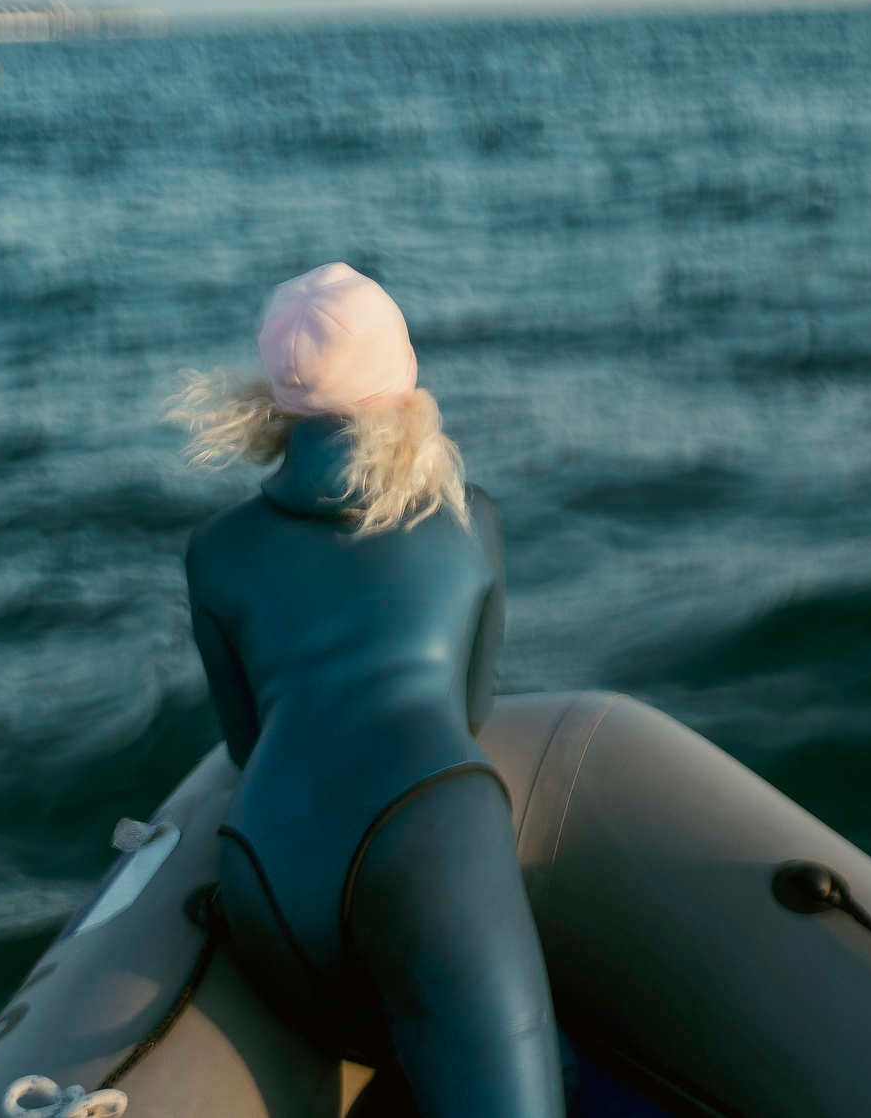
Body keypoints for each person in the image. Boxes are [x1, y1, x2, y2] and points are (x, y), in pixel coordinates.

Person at [167, 262, 564, 1118]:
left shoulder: (215, 549)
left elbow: (244, 747)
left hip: (266, 876)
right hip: (432, 849)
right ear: (405, 388)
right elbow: (470, 712)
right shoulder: (472, 519)